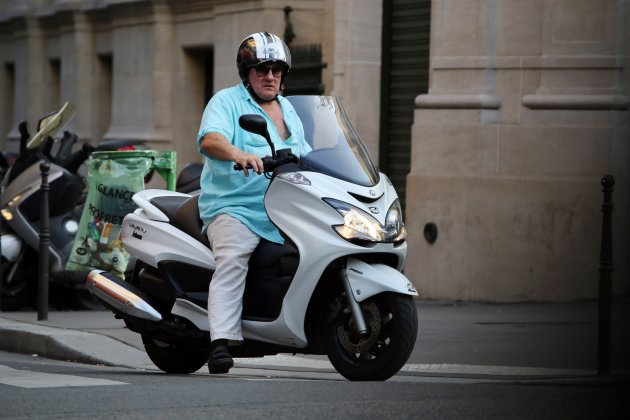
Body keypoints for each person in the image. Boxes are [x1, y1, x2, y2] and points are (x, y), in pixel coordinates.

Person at [196, 32, 311, 374]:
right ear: (246, 72)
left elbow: (306, 153)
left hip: (284, 205)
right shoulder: (226, 102)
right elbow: (210, 140)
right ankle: (220, 341)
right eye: (261, 69)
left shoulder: (288, 108)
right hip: (235, 206)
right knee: (234, 257)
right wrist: (239, 153)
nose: (270, 76)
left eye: (276, 69)